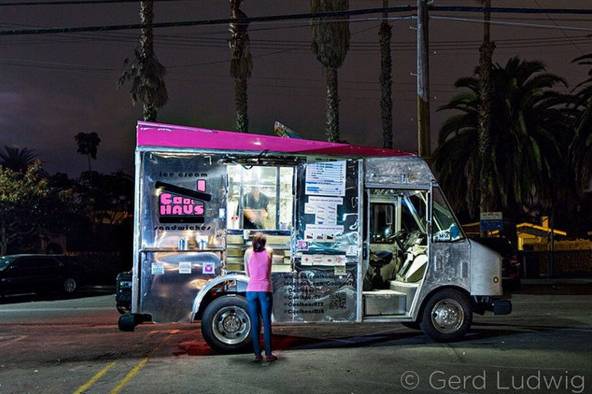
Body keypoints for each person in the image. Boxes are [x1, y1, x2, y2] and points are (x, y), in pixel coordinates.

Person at [244, 232, 277, 362]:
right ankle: (268, 354)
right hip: (265, 290)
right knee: (267, 322)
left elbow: (247, 272)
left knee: (255, 322)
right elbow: (269, 271)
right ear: (264, 242)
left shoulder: (247, 252)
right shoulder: (269, 251)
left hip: (251, 290)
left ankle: (257, 355)